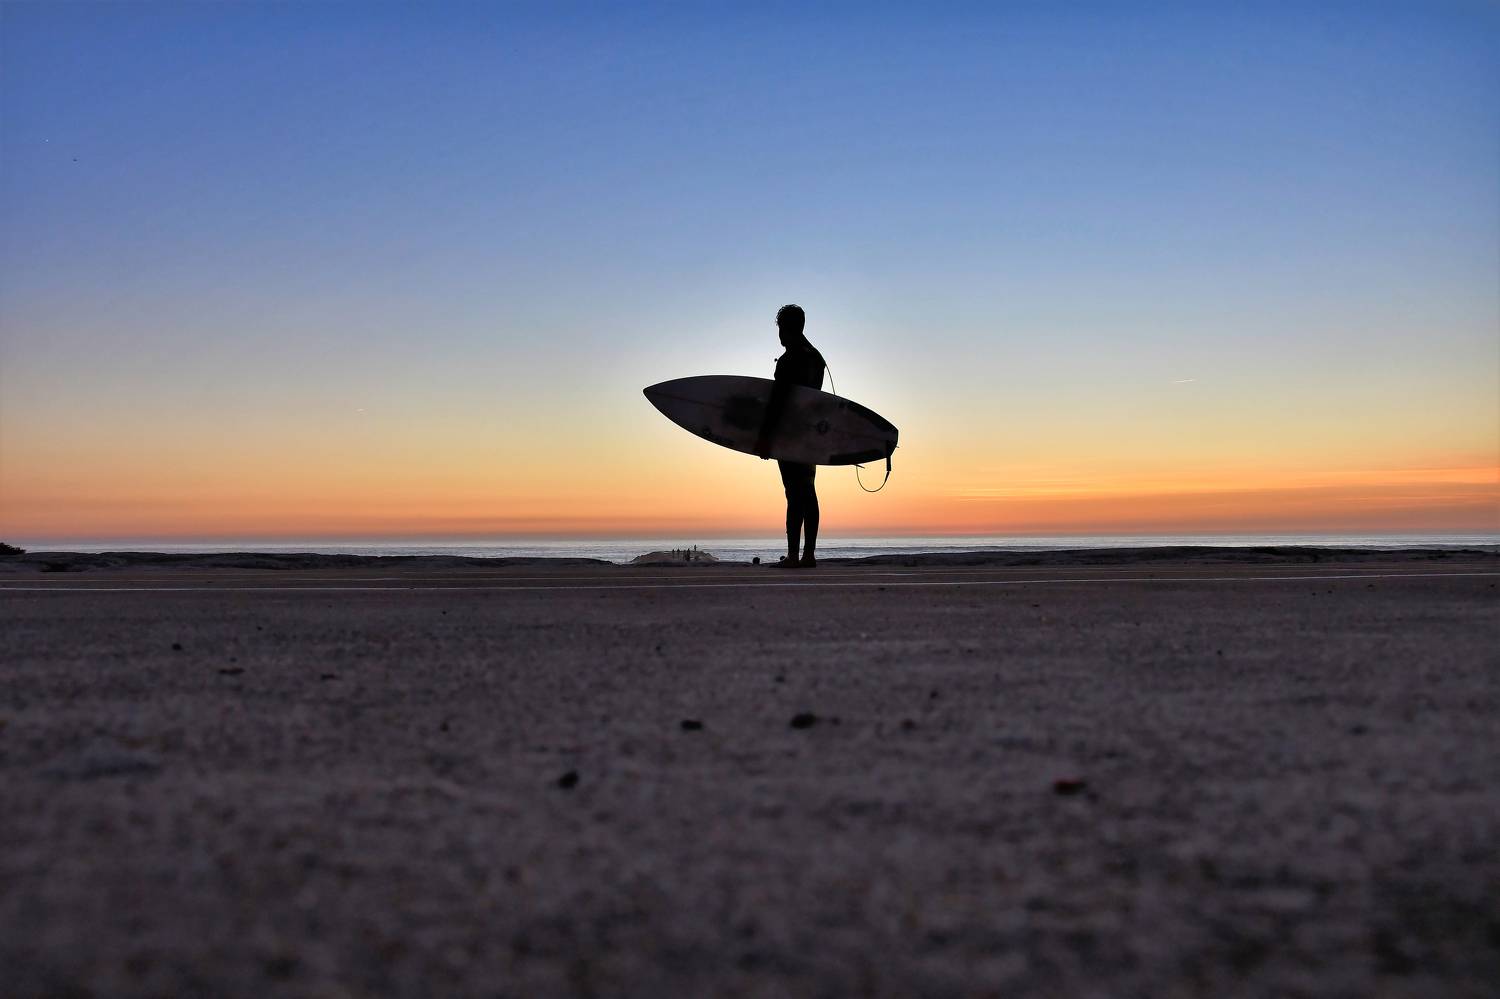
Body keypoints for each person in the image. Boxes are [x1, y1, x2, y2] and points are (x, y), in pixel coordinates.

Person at [754, 304, 825, 568]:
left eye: (781, 329)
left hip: (789, 434)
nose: (780, 336)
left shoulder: (789, 360)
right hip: (809, 434)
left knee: (794, 493)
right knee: (808, 490)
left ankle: (794, 556)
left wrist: (765, 437)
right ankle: (809, 555)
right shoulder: (816, 358)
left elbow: (777, 402)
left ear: (786, 328)